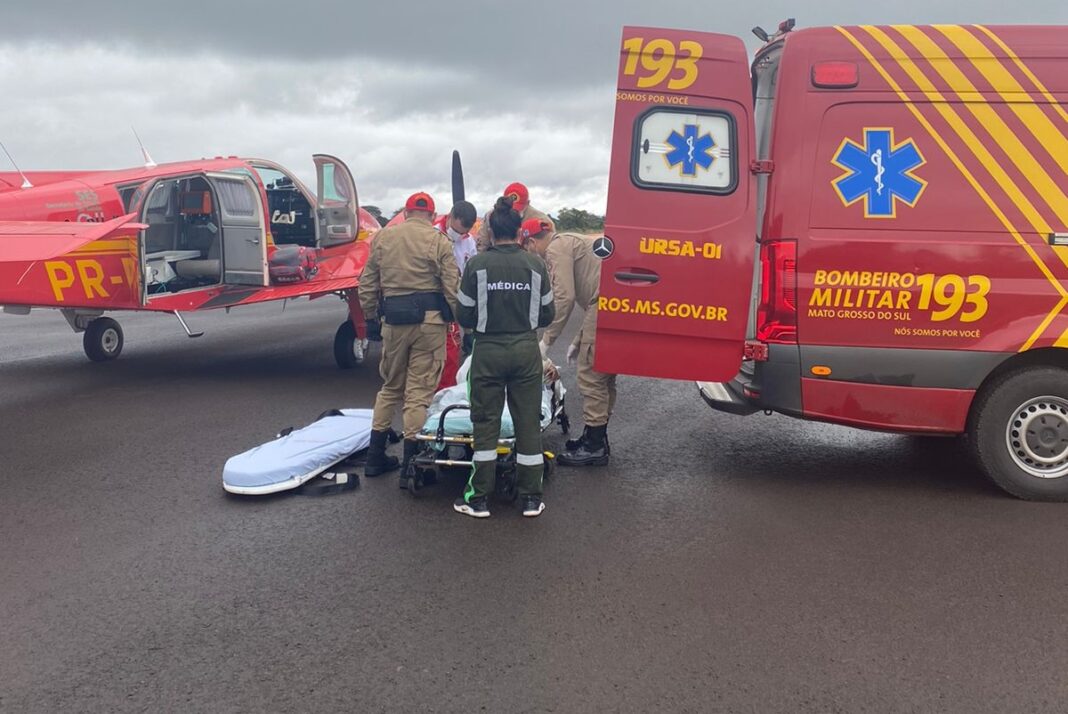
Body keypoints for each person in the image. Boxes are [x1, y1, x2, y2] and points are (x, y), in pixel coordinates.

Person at [454, 197, 555, 518]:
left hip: (487, 352)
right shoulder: (536, 265)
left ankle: (478, 499)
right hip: (526, 351)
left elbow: (464, 315)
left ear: (491, 231)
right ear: (519, 232)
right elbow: (548, 313)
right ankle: (530, 498)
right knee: (527, 424)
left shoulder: (476, 265)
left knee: (485, 424)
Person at [358, 192, 460, 486]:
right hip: (429, 324)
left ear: (405, 211)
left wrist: (370, 318)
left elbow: (367, 282)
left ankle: (375, 458)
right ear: (431, 214)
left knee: (390, 387)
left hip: (393, 321)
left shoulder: (383, 239)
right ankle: (411, 467)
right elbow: (451, 287)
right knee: (418, 393)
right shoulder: (439, 241)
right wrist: (459, 319)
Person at [522, 218, 616, 467]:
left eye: (528, 246)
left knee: (592, 374)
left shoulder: (555, 248)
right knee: (604, 372)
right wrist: (578, 339)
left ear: (532, 242)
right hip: (608, 304)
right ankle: (595, 435)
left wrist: (546, 342)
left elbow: (564, 296)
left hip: (603, 305)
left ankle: (595, 446)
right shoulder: (573, 241)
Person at [434, 201, 478, 389]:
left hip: (459, 299)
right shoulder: (433, 236)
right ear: (450, 216)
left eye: (463, 232)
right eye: (457, 230)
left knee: (454, 350)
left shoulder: (469, 241)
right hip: (438, 300)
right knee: (440, 353)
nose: (459, 235)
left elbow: (472, 272)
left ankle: (448, 389)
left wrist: (469, 327)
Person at [474, 182, 552, 253]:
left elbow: (549, 250)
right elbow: (482, 245)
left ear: (527, 203)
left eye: (518, 209)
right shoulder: (490, 216)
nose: (513, 211)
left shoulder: (541, 221)